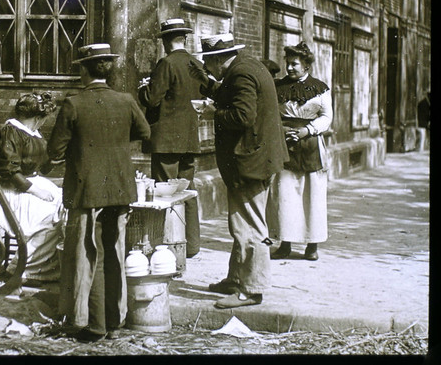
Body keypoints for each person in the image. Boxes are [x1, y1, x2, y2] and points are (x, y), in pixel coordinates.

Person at [47, 43, 151, 342]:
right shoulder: (126, 100)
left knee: (87, 255)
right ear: (108, 69)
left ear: (83, 69)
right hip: (119, 188)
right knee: (114, 252)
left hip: (86, 190)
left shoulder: (74, 104)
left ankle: (93, 325)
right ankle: (114, 321)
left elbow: (55, 149)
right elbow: (145, 133)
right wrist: (114, 140)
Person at [189, 33, 288, 308]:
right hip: (258, 157)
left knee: (249, 225)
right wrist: (209, 87)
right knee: (242, 221)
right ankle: (235, 279)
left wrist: (212, 113)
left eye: (208, 63)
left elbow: (244, 116)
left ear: (219, 59)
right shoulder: (247, 65)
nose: (209, 68)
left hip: (251, 160)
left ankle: (251, 289)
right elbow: (228, 93)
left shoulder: (241, 74)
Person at [137, 18, 205, 257]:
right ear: (183, 39)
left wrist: (143, 88)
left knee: (165, 193)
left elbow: (152, 99)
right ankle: (192, 245)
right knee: (188, 191)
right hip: (189, 138)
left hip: (166, 140)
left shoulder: (166, 63)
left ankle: (167, 244)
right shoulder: (196, 64)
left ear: (166, 41)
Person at [267, 41, 333, 261]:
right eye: (288, 64)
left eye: (295, 64)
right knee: (285, 194)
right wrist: (282, 129)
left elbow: (327, 117)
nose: (290, 68)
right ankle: (285, 243)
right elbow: (272, 114)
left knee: (311, 195)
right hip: (285, 144)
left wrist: (307, 130)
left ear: (306, 65)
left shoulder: (320, 88)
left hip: (310, 145)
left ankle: (312, 245)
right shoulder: (278, 87)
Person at [0, 92, 65, 289]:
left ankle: (46, 268)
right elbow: (9, 171)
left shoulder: (32, 133)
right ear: (37, 118)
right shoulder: (10, 132)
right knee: (50, 217)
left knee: (66, 207)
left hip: (31, 183)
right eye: (44, 119)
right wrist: (36, 192)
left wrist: (58, 158)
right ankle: (22, 268)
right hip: (13, 191)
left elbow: (39, 164)